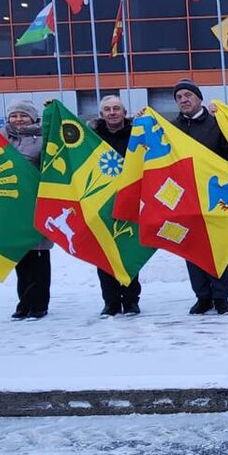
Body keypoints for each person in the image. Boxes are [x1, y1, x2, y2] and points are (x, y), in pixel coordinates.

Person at [170, 78, 228, 315]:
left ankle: (221, 296)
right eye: (179, 97)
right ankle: (202, 297)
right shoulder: (170, 128)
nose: (184, 100)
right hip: (185, 197)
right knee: (191, 247)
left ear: (199, 98)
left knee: (217, 247)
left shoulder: (217, 124)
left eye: (188, 95)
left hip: (214, 196)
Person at [91, 95, 141, 316]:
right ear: (101, 114)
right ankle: (110, 301)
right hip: (100, 201)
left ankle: (131, 300)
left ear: (124, 112)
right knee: (103, 252)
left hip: (129, 198)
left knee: (128, 250)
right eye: (107, 109)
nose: (112, 113)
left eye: (116, 108)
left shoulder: (136, 133)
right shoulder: (92, 137)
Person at [4, 98, 52, 320]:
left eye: (23, 115)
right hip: (13, 207)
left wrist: (51, 110)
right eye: (14, 115)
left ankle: (39, 304)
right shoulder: (1, 139)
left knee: (38, 257)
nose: (18, 119)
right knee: (21, 259)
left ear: (33, 118)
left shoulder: (44, 138)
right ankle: (24, 302)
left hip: (36, 204)